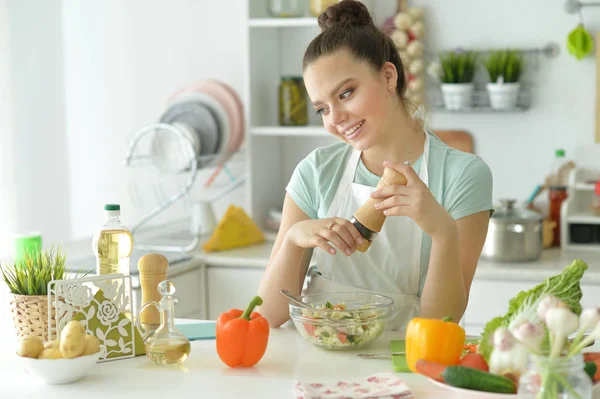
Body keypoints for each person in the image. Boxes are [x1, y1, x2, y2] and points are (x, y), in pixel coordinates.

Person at [257, 0, 493, 332]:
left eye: (345, 94)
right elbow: (268, 315)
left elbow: (443, 324)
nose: (337, 120)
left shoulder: (462, 175)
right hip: (317, 364)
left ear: (387, 76)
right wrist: (294, 239)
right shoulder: (315, 171)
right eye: (322, 109)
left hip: (408, 367)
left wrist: (441, 231)